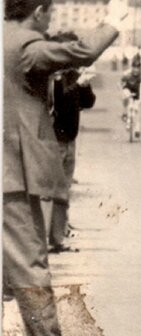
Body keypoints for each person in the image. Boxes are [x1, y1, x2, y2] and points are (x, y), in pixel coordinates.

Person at [4, 0, 126, 336]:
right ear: (38, 12)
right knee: (31, 277)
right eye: (49, 13)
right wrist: (112, 23)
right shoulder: (23, 47)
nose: (49, 20)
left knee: (10, 282)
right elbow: (76, 50)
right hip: (9, 183)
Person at [48, 31, 97, 253]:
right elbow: (59, 103)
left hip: (69, 139)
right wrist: (79, 84)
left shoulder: (72, 74)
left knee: (64, 189)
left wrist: (84, 86)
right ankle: (53, 236)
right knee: (54, 189)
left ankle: (59, 233)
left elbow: (88, 102)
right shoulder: (53, 77)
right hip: (54, 140)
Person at [120, 62, 141, 139]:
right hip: (128, 88)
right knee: (125, 97)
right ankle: (125, 114)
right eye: (134, 68)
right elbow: (121, 83)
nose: (136, 70)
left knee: (136, 110)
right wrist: (123, 90)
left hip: (137, 90)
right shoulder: (127, 74)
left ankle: (137, 129)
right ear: (132, 68)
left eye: (138, 68)